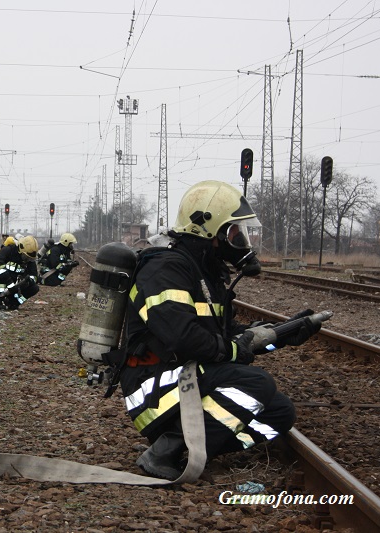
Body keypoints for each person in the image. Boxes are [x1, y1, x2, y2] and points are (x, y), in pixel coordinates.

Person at [117, 180, 321, 480]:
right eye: (235, 232)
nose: (241, 240)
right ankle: (166, 448)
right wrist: (238, 347)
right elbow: (182, 337)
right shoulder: (166, 270)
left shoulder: (205, 274)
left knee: (279, 412)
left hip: (183, 378)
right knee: (256, 383)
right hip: (151, 388)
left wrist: (281, 335)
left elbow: (226, 337)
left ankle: (189, 448)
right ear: (210, 230)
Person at [0, 235, 40, 310]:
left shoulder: (29, 258)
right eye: (26, 257)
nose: (27, 260)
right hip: (0, 282)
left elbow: (34, 275)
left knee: (34, 288)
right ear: (21, 249)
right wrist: (9, 283)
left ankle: (14, 303)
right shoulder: (9, 250)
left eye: (30, 259)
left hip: (16, 285)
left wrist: (27, 281)